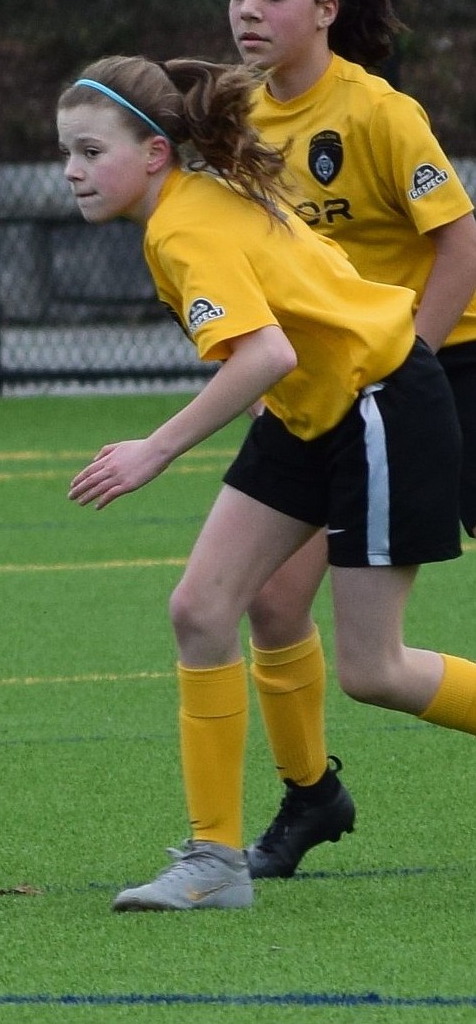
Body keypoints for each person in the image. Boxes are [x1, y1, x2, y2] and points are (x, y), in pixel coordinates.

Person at [57, 53, 476, 912]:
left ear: (154, 154)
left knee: (376, 668)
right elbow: (286, 342)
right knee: (200, 608)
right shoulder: (188, 203)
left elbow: (267, 353)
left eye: (90, 152)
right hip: (312, 411)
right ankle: (214, 860)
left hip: (379, 405)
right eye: (66, 152)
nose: (71, 172)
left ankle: (233, 845)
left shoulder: (181, 227)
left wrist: (156, 448)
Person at [227, 0, 476, 880]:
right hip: (332, 384)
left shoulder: (376, 111)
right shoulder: (239, 120)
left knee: (374, 653)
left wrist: (402, 360)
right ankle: (310, 796)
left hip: (441, 367)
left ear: (325, 7)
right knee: (271, 601)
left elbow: (459, 241)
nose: (248, 10)